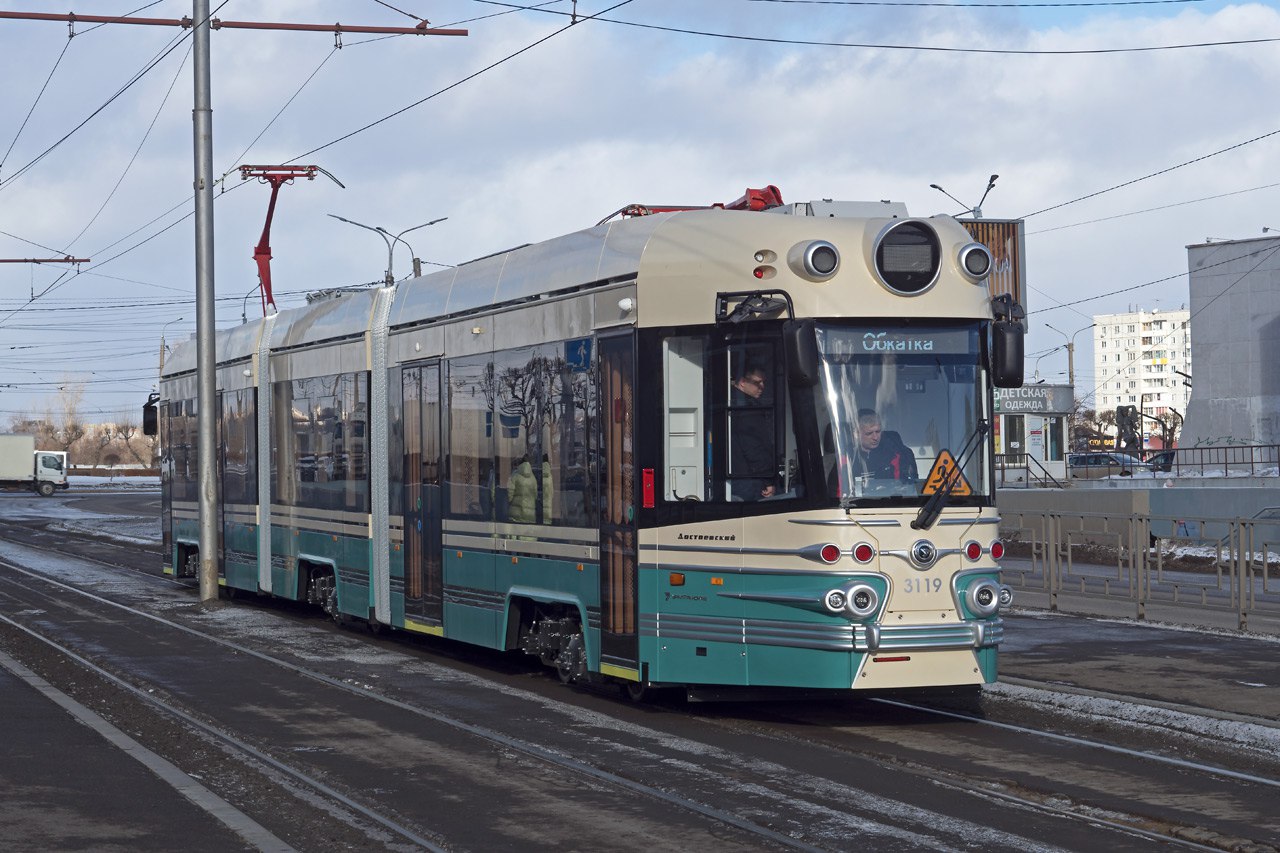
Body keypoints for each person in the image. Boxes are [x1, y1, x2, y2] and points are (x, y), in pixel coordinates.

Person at [729, 362, 777, 500]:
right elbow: (753, 447)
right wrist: (768, 479)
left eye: (763, 382)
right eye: (757, 382)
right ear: (742, 382)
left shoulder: (727, 401)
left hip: (734, 477)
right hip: (749, 479)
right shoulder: (747, 408)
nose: (762, 386)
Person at [852, 408, 917, 484]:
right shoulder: (848, 457)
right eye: (869, 433)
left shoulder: (898, 453)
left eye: (878, 431)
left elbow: (909, 486)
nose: (875, 437)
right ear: (856, 434)